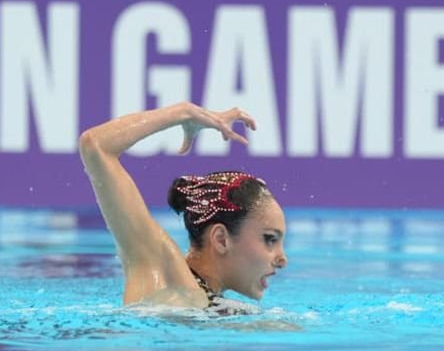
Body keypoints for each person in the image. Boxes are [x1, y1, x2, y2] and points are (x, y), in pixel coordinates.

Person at [79, 102, 288, 313]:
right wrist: (183, 112)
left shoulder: (213, 302)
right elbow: (96, 145)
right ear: (221, 239)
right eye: (269, 239)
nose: (282, 259)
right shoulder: (165, 274)